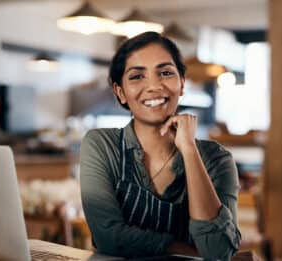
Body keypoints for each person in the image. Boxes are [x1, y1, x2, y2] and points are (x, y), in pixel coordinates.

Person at [80, 32, 242, 260]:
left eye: (165, 73)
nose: (154, 86)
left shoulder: (216, 159)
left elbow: (217, 250)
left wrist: (189, 150)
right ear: (120, 93)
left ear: (182, 84)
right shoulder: (102, 145)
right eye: (137, 76)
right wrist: (191, 252)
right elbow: (108, 237)